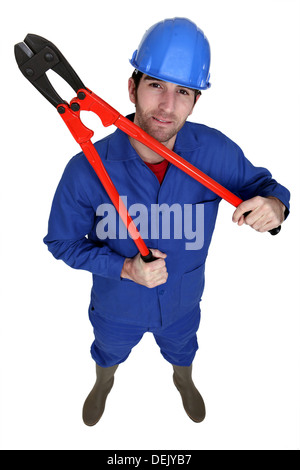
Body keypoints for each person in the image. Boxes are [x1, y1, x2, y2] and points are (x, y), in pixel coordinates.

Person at [43, 18, 290, 426]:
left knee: (183, 349)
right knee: (107, 351)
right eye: (156, 85)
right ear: (132, 88)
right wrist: (123, 268)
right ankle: (104, 381)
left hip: (183, 303)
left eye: (183, 92)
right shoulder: (85, 168)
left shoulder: (215, 151)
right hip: (115, 308)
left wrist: (275, 205)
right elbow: (61, 243)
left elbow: (267, 187)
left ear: (196, 101)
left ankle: (183, 379)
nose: (167, 106)